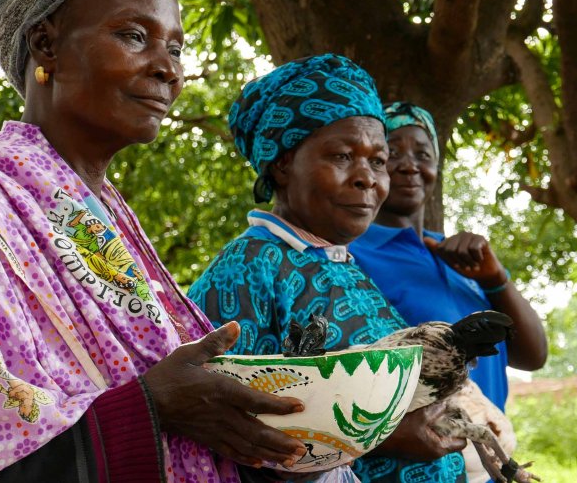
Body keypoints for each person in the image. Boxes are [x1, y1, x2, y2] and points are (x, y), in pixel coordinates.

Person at [0, 0, 308, 480]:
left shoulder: (103, 223)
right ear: (46, 44)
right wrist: (148, 409)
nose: (168, 69)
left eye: (176, 47)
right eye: (134, 36)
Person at [188, 54, 469, 483]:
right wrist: (385, 434)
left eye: (378, 160)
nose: (367, 178)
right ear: (282, 164)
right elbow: (229, 428)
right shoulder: (248, 269)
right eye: (342, 156)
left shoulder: (344, 267)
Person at [349, 102, 547, 411]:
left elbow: (532, 356)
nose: (409, 165)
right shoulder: (352, 256)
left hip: (490, 450)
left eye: (423, 154)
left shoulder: (463, 258)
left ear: (436, 166)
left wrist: (495, 281)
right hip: (422, 455)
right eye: (392, 153)